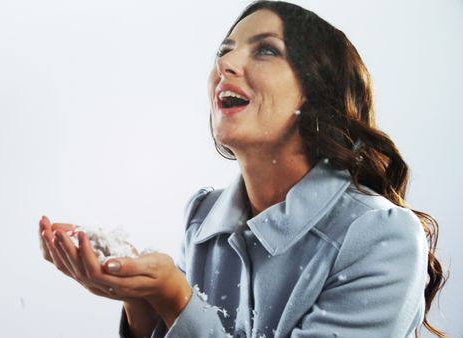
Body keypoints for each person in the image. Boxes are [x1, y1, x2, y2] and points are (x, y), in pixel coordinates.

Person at [38, 1, 448, 337]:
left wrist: (173, 297)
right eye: (224, 50)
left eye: (265, 49)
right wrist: (137, 300)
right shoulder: (202, 220)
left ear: (315, 90)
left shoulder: (381, 237)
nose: (226, 63)